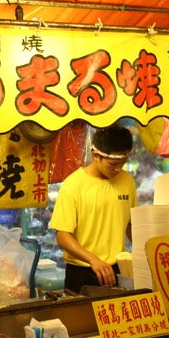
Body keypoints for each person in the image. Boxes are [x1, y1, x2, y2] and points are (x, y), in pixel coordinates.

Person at [49, 125, 137, 293]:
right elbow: (62, 236)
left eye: (123, 163)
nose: (118, 169)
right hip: (83, 271)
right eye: (113, 164)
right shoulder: (74, 184)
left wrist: (145, 254)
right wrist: (93, 260)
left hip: (117, 271)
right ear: (96, 155)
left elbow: (129, 225)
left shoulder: (127, 181)